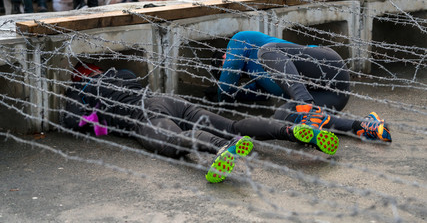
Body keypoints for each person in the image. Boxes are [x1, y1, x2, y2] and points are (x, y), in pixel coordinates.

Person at [63, 63, 340, 183]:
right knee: (232, 125)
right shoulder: (121, 74)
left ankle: (222, 147)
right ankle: (290, 131)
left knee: (173, 142)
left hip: (144, 117)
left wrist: (85, 101)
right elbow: (132, 78)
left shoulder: (81, 91)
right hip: (166, 101)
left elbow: (72, 121)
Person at [211, 31, 391, 142]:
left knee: (267, 51)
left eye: (223, 63)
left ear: (224, 55)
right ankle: (362, 126)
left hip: (328, 67)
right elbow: (252, 96)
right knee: (281, 116)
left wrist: (220, 98)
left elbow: (226, 86)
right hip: (333, 97)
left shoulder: (241, 40)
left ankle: (306, 105)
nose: (225, 67)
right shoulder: (258, 81)